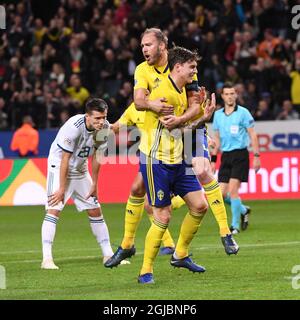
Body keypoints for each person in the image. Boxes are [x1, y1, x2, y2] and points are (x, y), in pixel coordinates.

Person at [105, 28, 237, 269]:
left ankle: (225, 232)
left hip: (187, 130)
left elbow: (196, 105)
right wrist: (152, 105)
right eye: (142, 45)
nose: (144, 49)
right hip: (160, 137)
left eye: (148, 45)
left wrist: (182, 120)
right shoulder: (142, 70)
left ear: (162, 46)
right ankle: (128, 245)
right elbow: (139, 102)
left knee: (203, 169)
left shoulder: (183, 66)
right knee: (140, 192)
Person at [41, 98, 125, 269]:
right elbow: (65, 159)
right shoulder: (73, 126)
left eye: (104, 117)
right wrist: (62, 188)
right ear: (88, 116)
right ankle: (47, 259)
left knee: (95, 209)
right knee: (54, 208)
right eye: (97, 118)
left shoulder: (105, 128)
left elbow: (97, 157)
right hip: (58, 168)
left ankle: (108, 255)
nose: (101, 122)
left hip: (80, 169)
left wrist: (95, 183)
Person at [110, 102, 186, 255]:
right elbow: (115, 127)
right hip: (149, 159)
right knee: (143, 197)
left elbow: (186, 122)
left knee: (154, 203)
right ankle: (166, 244)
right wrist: (97, 126)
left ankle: (186, 198)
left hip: (171, 160)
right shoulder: (134, 108)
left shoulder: (166, 104)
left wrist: (203, 137)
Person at [211, 83, 261, 234]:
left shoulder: (244, 113)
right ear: (222, 96)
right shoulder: (218, 115)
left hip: (240, 155)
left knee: (233, 191)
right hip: (225, 156)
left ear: (236, 95)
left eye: (232, 93)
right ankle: (243, 210)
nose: (230, 96)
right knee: (220, 194)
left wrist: (257, 156)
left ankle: (234, 226)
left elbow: (252, 134)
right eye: (227, 94)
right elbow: (217, 139)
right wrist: (213, 160)